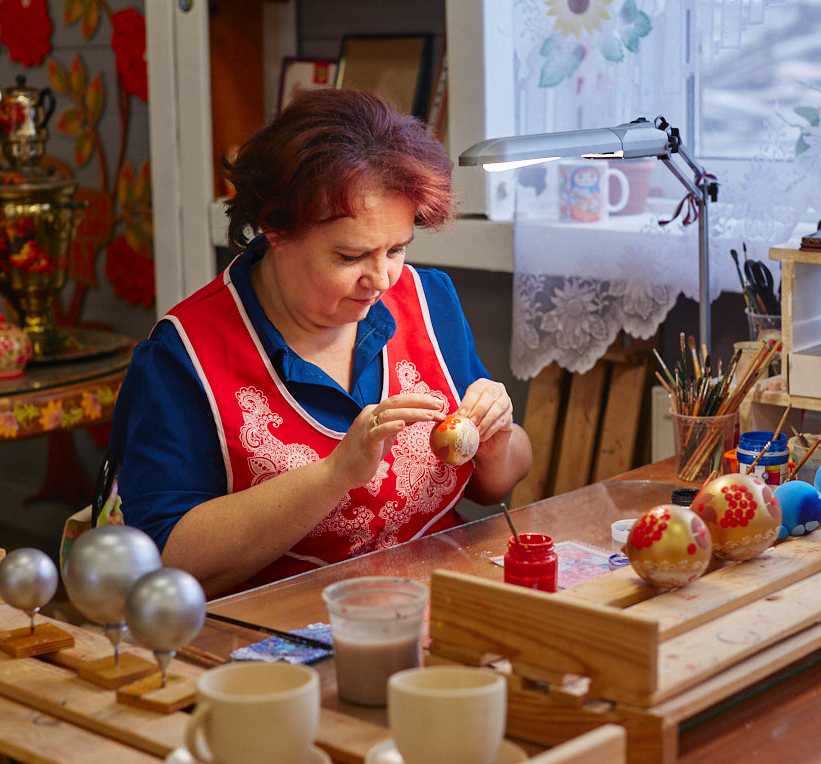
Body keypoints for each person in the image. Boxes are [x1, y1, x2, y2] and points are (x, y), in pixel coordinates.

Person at [109, 89, 532, 598]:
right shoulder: (182, 359)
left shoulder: (427, 299)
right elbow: (163, 560)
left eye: (397, 248)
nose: (381, 279)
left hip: (438, 599)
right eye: (351, 256)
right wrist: (334, 475)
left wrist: (496, 442)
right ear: (276, 230)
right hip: (278, 633)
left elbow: (494, 485)